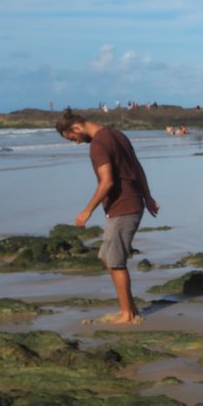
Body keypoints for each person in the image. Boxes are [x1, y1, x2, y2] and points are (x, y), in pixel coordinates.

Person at [55, 108, 160, 324]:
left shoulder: (98, 144)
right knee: (107, 257)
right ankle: (130, 309)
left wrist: (87, 210)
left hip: (123, 207)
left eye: (72, 138)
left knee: (115, 263)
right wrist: (147, 197)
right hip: (131, 203)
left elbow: (107, 181)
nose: (75, 142)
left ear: (76, 128)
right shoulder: (117, 135)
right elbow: (137, 168)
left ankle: (127, 314)